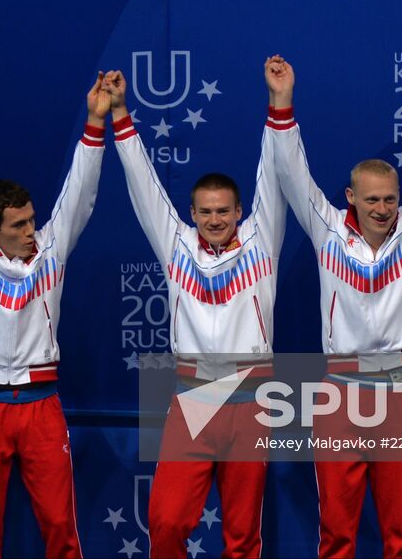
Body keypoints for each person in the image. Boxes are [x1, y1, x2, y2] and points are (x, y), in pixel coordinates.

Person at [265, 55, 402, 559]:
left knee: (400, 535)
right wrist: (282, 102)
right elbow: (292, 173)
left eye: (390, 198)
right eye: (372, 199)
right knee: (337, 533)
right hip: (341, 397)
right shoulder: (327, 229)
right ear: (350, 197)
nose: (383, 209)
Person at [108, 64, 289, 559]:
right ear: (192, 213)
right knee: (166, 521)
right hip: (193, 400)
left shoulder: (261, 242)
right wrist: (121, 114)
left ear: (240, 213)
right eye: (205, 211)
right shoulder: (177, 245)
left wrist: (279, 104)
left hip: (252, 399)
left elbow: (273, 174)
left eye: (223, 211)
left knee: (242, 534)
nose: (214, 219)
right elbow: (143, 185)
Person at [0, 70, 112, 559]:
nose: (32, 230)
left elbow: (80, 194)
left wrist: (95, 122)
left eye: (33, 219)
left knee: (61, 527)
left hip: (41, 406)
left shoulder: (50, 252)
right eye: (19, 224)